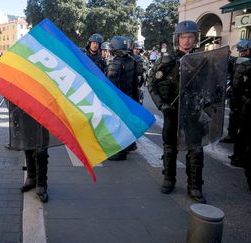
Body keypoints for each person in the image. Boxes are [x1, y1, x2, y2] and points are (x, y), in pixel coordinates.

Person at [148, 20, 206, 203]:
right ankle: (169, 179)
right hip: (172, 111)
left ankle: (194, 187)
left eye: (190, 37)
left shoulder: (203, 60)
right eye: (183, 37)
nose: (186, 41)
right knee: (170, 148)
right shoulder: (167, 61)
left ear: (195, 39)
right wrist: (161, 105)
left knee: (195, 150)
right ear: (177, 39)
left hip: (194, 113)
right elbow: (152, 84)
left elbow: (214, 85)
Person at [106, 36, 139, 159]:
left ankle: (120, 152)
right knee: (127, 123)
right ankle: (131, 144)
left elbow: (110, 85)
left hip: (118, 99)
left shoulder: (115, 63)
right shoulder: (132, 60)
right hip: (129, 96)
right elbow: (136, 82)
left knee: (117, 125)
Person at [220, 40, 251, 144]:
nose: (242, 53)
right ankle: (231, 135)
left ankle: (242, 139)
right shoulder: (237, 61)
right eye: (241, 51)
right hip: (235, 93)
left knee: (245, 119)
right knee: (234, 116)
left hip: (246, 94)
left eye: (244, 51)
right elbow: (230, 68)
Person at [229, 40, 251, 170]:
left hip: (241, 101)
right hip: (244, 102)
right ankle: (238, 157)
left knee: (242, 131)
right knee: (243, 132)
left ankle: (237, 155)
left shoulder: (240, 62)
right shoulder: (243, 63)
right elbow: (236, 85)